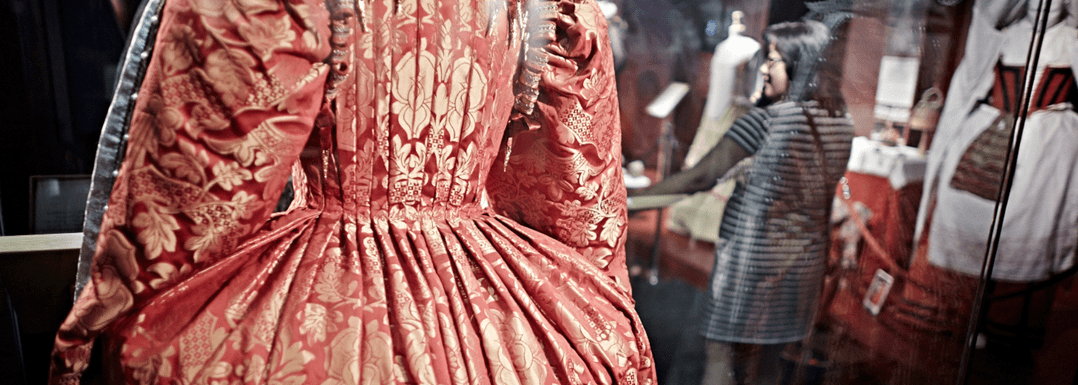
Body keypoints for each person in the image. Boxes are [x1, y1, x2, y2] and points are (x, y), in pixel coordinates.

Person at [49, 0, 656, 383]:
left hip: (309, 297)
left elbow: (202, 186)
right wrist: (586, 310)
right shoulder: (562, 8)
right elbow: (579, 199)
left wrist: (107, 322)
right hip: (501, 317)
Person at [632, 19, 852, 384]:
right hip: (800, 271)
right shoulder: (840, 123)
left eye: (774, 60)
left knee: (720, 357)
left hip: (751, 269)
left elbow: (697, 179)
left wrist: (628, 201)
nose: (764, 68)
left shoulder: (765, 123)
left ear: (800, 65)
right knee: (767, 364)